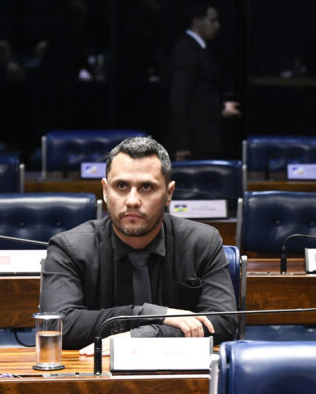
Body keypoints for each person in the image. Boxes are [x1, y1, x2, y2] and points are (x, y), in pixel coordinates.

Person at [40, 137, 238, 352]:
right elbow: (59, 326)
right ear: (105, 191)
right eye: (121, 186)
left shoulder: (202, 242)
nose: (132, 200)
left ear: (169, 193)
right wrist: (147, 314)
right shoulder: (68, 248)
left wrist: (147, 334)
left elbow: (223, 321)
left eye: (146, 187)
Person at [167, 2, 240, 160]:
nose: (217, 25)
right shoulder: (187, 50)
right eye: (213, 20)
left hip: (205, 137)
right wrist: (182, 145)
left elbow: (202, 94)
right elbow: (179, 99)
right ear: (197, 21)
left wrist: (221, 107)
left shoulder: (200, 49)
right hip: (195, 142)